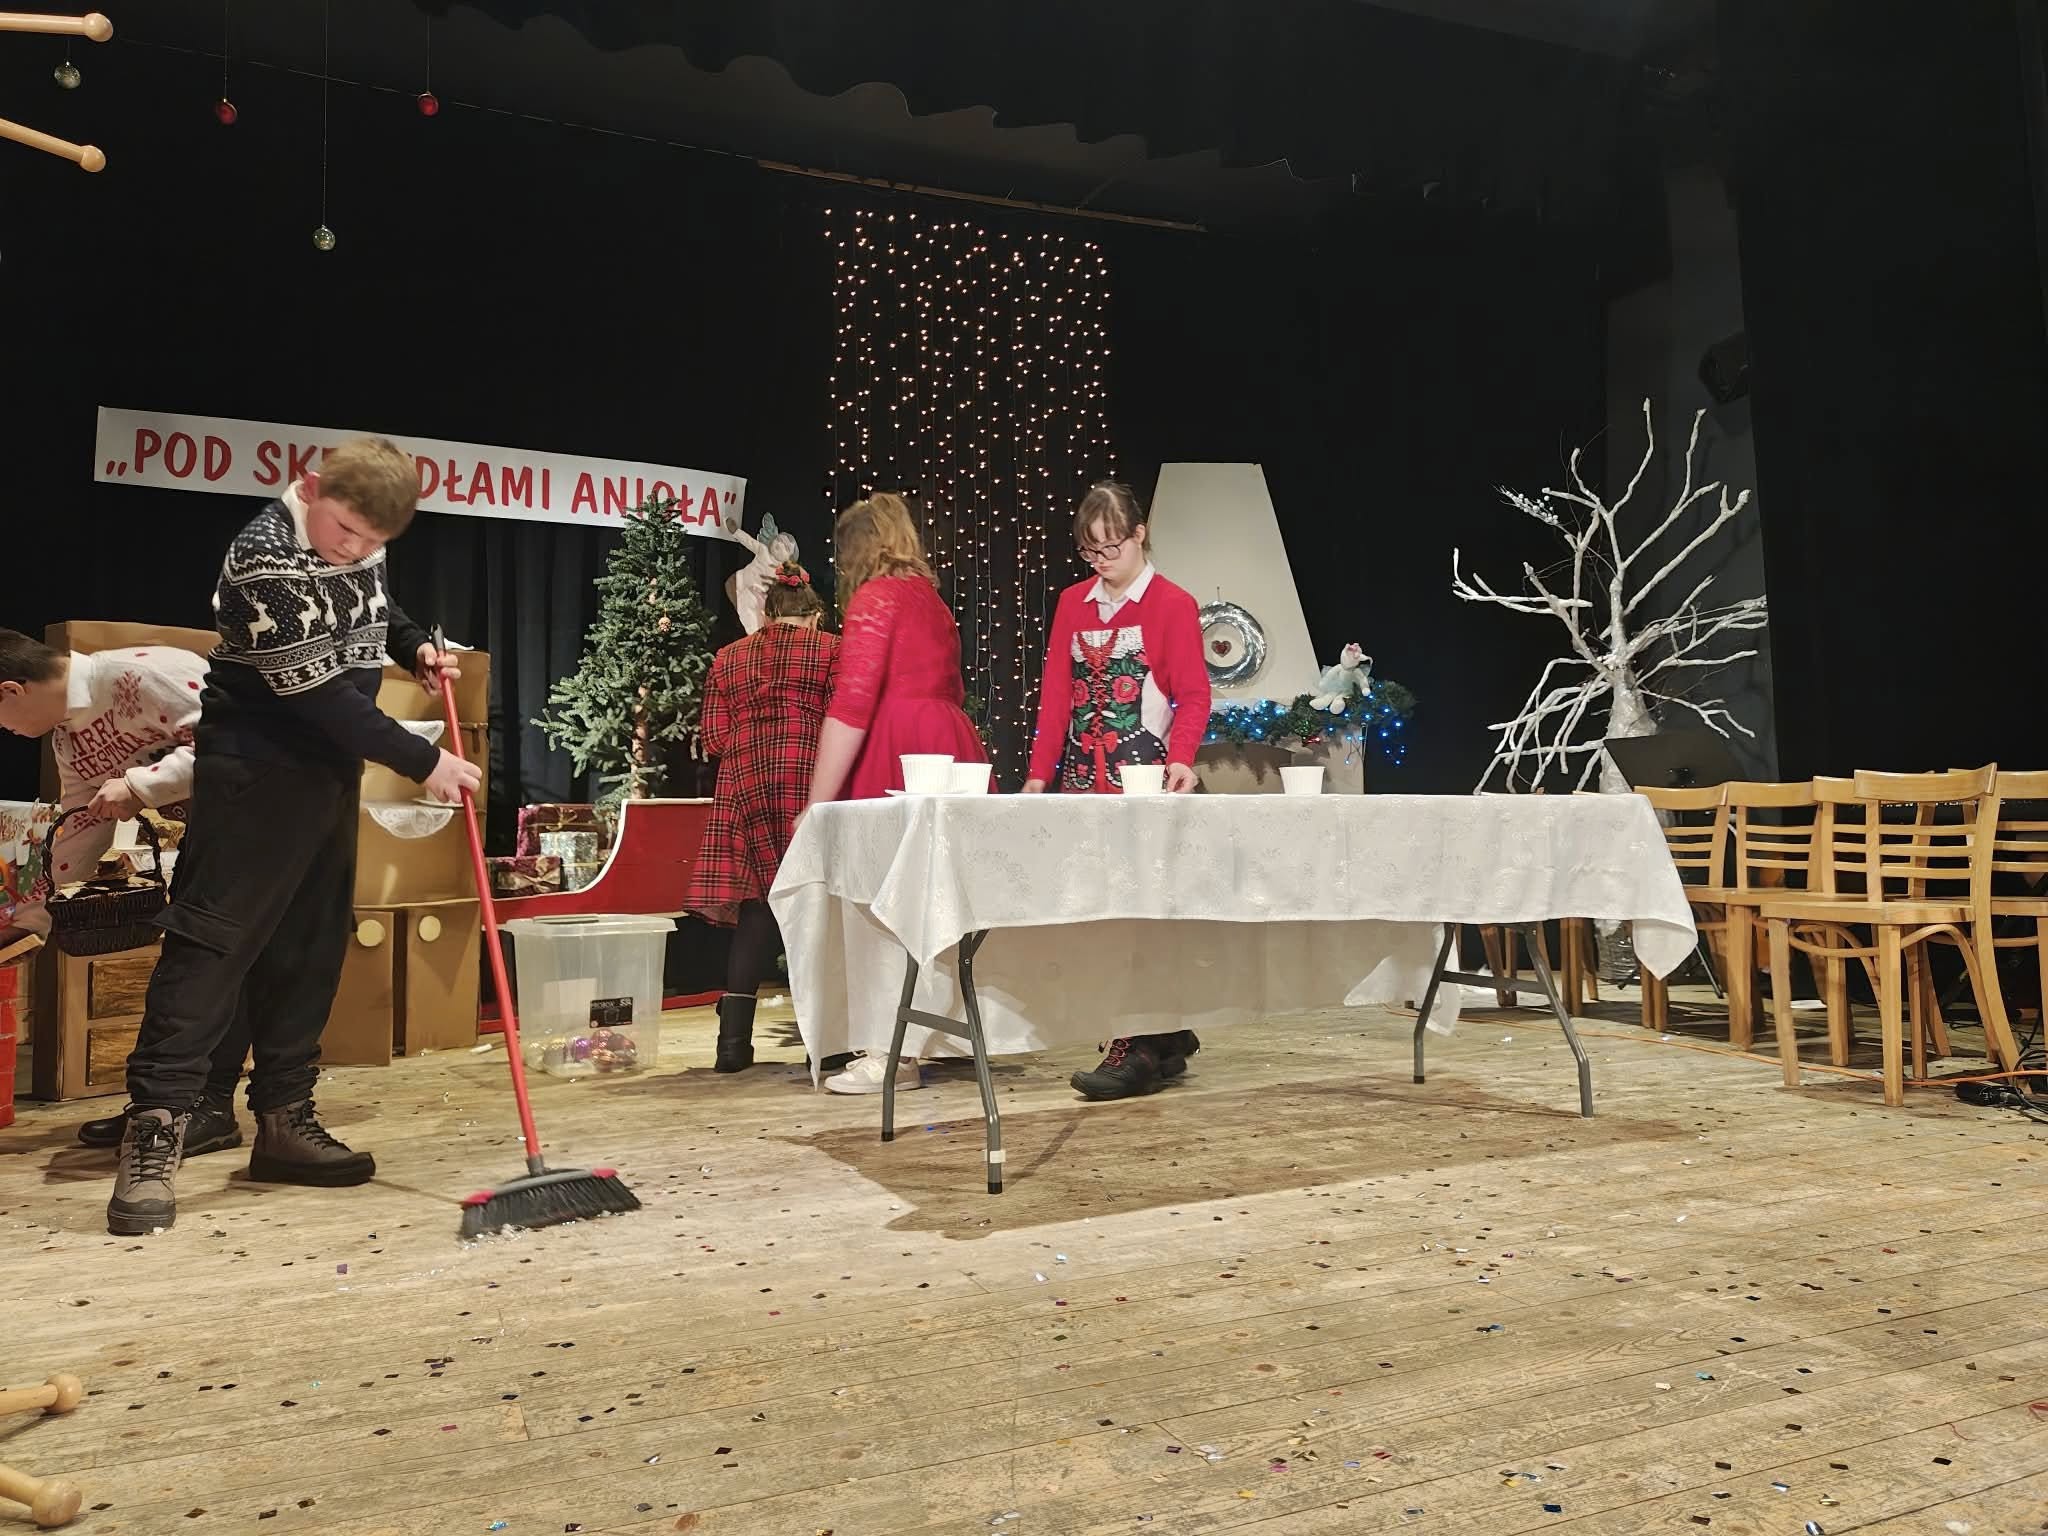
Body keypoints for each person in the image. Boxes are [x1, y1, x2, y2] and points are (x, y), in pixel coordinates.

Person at [106, 437, 482, 1236]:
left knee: (308, 946)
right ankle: (156, 1130)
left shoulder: (356, 539)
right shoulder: (262, 558)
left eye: (374, 542)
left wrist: (413, 645)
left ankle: (283, 1118)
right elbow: (320, 698)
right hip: (257, 770)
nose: (355, 549)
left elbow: (370, 604)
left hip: (327, 773)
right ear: (309, 487)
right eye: (346, 531)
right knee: (211, 947)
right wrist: (426, 761)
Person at [0, 630, 252, 1156]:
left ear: (11, 690)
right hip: (212, 840)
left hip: (266, 832)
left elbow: (237, 739)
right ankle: (162, 1106)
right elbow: (81, 820)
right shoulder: (68, 737)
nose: (5, 730)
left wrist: (140, 785)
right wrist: (32, 911)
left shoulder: (143, 673)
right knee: (184, 975)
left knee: (205, 973)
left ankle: (199, 1108)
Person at [1023, 481, 1211, 1100]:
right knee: (1098, 909)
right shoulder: (1073, 604)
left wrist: (1181, 759)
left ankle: (1136, 1046)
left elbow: (1193, 694)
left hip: (1144, 778)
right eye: (1091, 551)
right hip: (1084, 779)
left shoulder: (1171, 604)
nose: (1102, 561)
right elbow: (1057, 696)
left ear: (1139, 535)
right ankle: (1165, 1033)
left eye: (1112, 548)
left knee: (1140, 910)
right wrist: (1039, 773)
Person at [805, 492, 986, 1094]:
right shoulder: (931, 599)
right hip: (947, 744)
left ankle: (890, 1052)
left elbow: (852, 704)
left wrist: (817, 803)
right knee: (939, 901)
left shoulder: (876, 598)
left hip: (898, 750)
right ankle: (941, 1036)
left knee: (879, 904)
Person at [685, 561, 839, 1073]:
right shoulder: (831, 649)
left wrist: (753, 741)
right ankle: (829, 1044)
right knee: (815, 906)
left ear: (767, 615)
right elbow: (844, 722)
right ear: (814, 616)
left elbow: (714, 739)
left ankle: (732, 1046)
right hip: (807, 781)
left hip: (743, 788)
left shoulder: (728, 657)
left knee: (756, 910)